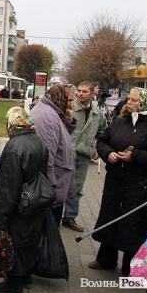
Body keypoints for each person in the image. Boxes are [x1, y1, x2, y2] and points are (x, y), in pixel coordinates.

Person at [89, 87, 147, 276]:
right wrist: (108, 154)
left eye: (134, 100)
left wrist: (134, 156)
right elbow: (102, 141)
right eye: (129, 99)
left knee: (134, 224)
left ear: (145, 104)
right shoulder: (119, 121)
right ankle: (106, 259)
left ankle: (133, 268)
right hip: (115, 180)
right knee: (110, 216)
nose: (128, 103)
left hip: (141, 184)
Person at [0, 107, 49, 293]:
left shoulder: (14, 147)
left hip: (18, 204)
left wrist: (1, 219)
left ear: (12, 123)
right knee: (28, 239)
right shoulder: (38, 141)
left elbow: (8, 186)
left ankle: (14, 282)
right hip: (34, 201)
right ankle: (26, 275)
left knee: (14, 238)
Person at [61, 81, 106, 232]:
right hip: (66, 152)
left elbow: (103, 133)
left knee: (77, 189)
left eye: (84, 91)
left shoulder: (98, 113)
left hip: (84, 155)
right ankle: (52, 216)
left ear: (92, 93)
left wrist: (99, 149)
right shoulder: (69, 108)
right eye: (79, 90)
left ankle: (69, 217)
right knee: (60, 184)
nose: (80, 93)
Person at [30, 84, 76, 225]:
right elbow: (46, 157)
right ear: (60, 98)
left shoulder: (52, 111)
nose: (72, 104)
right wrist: (50, 188)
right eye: (69, 100)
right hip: (51, 190)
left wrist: (68, 120)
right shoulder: (47, 116)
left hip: (55, 186)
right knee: (47, 234)